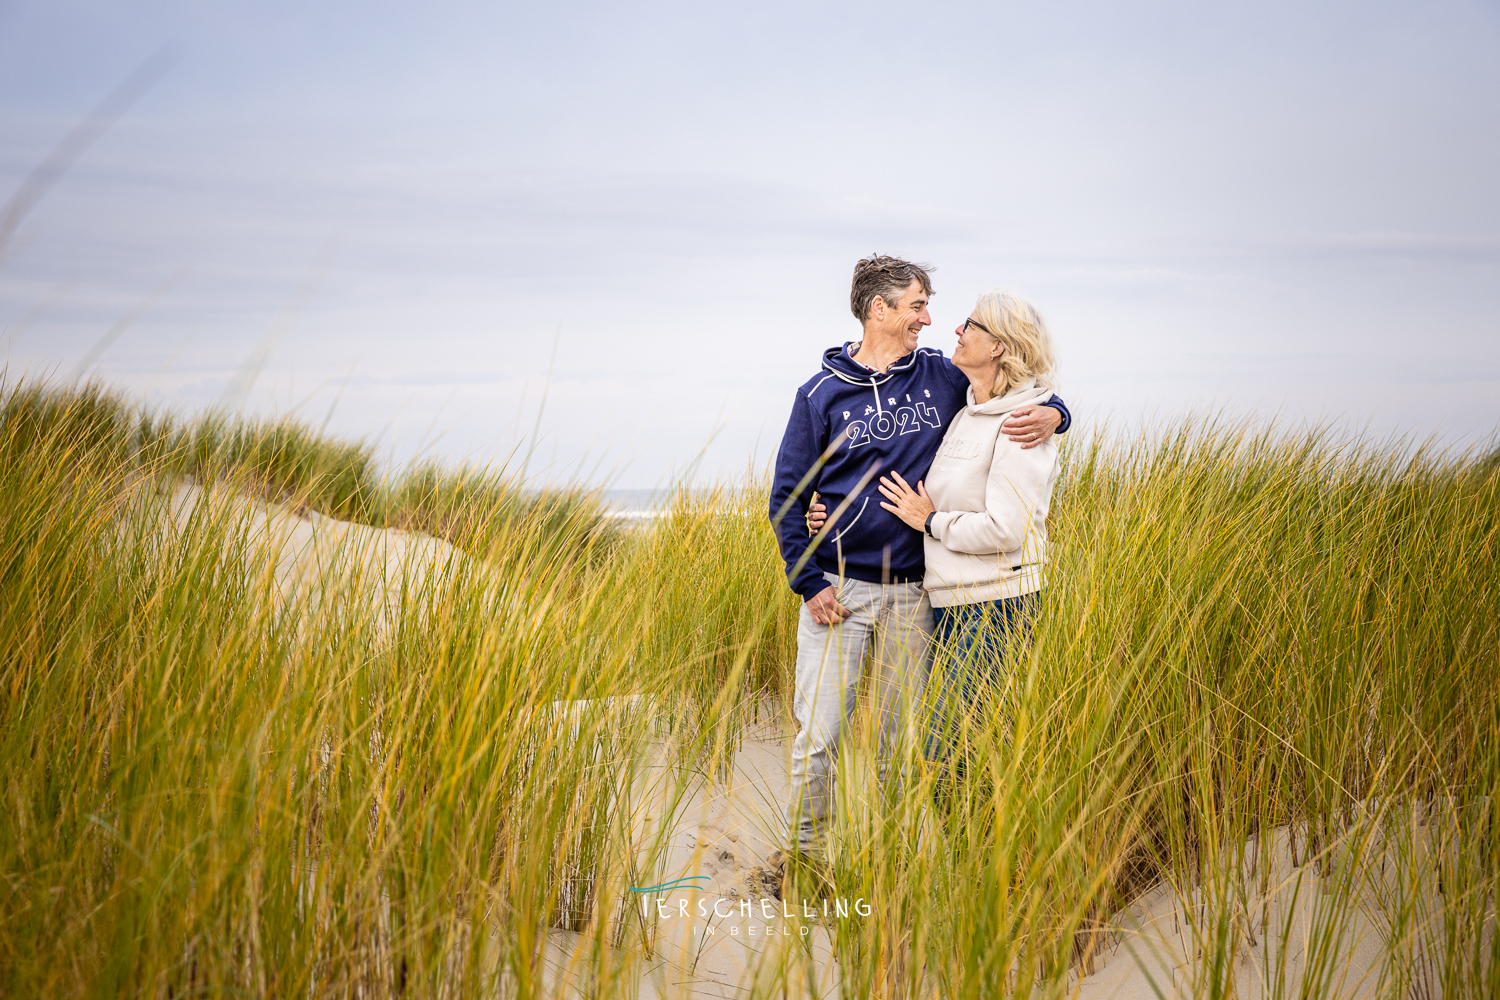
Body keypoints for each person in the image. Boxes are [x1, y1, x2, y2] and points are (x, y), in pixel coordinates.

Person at [769, 257, 1071, 859]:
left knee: (897, 741)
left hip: (916, 593)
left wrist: (1059, 412)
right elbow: (787, 495)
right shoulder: (819, 395)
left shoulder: (940, 376)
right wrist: (809, 583)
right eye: (916, 306)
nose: (928, 321)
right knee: (820, 734)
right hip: (840, 590)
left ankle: (888, 858)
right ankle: (803, 855)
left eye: (930, 307)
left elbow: (1016, 382)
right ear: (878, 309)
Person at [873, 291, 1061, 781]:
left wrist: (929, 521)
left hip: (996, 605)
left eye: (969, 324)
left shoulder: (1022, 421)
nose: (955, 331)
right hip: (951, 604)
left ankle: (979, 856)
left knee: (946, 757)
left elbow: (1006, 529)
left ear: (998, 345)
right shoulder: (964, 409)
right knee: (964, 754)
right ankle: (970, 856)